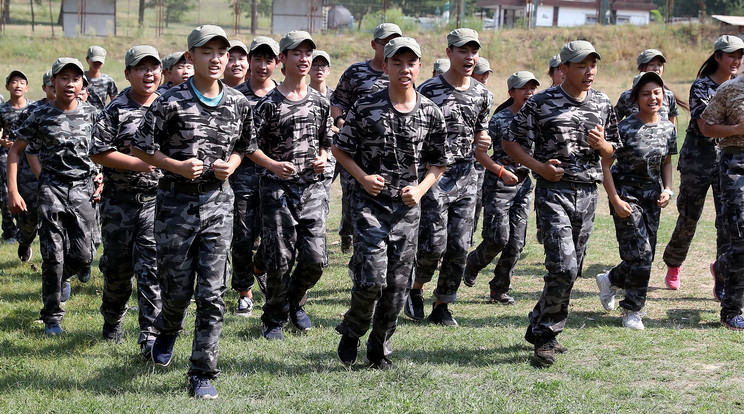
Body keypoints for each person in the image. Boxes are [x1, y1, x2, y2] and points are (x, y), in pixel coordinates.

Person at [132, 25, 252, 399]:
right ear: (190, 57)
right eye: (207, 52)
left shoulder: (238, 103)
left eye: (222, 52)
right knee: (177, 289)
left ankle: (202, 371)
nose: (217, 59)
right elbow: (141, 148)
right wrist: (176, 166)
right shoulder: (169, 101)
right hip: (175, 206)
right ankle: (168, 329)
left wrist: (231, 165)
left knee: (212, 293)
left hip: (219, 205)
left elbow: (244, 146)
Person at [503, 40, 620, 366]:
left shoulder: (602, 102)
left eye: (593, 65)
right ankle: (546, 336)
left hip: (588, 194)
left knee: (573, 269)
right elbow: (510, 141)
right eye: (582, 65)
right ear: (564, 68)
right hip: (554, 194)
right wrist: (539, 167)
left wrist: (605, 147)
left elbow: (613, 152)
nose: (589, 71)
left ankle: (539, 321)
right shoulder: (542, 102)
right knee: (563, 266)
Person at [333, 37, 448, 369]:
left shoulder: (430, 111)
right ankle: (353, 329)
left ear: (419, 67)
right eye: (397, 62)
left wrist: (422, 189)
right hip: (369, 206)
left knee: (397, 289)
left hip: (407, 212)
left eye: (411, 63)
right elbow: (341, 149)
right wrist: (363, 178)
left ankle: (378, 346)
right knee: (371, 280)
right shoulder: (367, 105)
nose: (404, 68)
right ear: (385, 65)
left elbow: (438, 163)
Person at [247, 30, 332, 340]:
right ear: (282, 59)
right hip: (276, 189)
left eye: (308, 52)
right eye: (296, 53)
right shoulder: (268, 104)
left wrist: (323, 157)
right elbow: (248, 146)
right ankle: (274, 318)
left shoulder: (320, 102)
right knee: (280, 259)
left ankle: (294, 300)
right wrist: (272, 165)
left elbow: (327, 141)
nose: (304, 58)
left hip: (312, 188)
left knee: (315, 260)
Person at [405, 28, 492, 326]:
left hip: (468, 178)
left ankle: (443, 304)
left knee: (458, 246)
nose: (469, 57)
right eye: (462, 51)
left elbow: (482, 129)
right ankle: (415, 289)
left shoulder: (483, 94)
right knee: (433, 245)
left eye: (473, 51)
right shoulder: (427, 91)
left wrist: (484, 139)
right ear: (449, 53)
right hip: (433, 178)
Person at [9, 58, 99, 336]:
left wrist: (102, 175)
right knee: (53, 255)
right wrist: (13, 190)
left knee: (85, 255)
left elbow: (104, 150)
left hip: (84, 190)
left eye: (75, 78)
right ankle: (52, 317)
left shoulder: (93, 114)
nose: (69, 83)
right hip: (52, 189)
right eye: (63, 78)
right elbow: (16, 151)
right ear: (53, 83)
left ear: (82, 83)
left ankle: (59, 280)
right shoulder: (40, 115)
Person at [90, 45, 164, 357]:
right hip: (120, 203)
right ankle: (113, 318)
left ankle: (149, 335)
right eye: (141, 68)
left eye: (153, 68)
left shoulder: (169, 105)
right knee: (118, 271)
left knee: (151, 270)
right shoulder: (116, 109)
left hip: (157, 203)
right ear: (128, 74)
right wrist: (141, 163)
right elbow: (97, 151)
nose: (149, 74)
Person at [662, 35, 744, 294]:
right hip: (698, 160)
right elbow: (705, 129)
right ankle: (674, 264)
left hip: (729, 163)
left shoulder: (738, 86)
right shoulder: (701, 86)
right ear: (718, 56)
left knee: (727, 222)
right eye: (731, 55)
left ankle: (721, 272)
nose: (736, 61)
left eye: (740, 56)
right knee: (689, 218)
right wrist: (738, 129)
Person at [596, 72, 676, 330]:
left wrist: (668, 189)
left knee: (644, 256)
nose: (652, 98)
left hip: (653, 195)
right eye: (645, 94)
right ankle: (633, 310)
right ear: (636, 98)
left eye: (656, 93)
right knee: (642, 254)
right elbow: (605, 166)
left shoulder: (668, 128)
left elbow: (666, 162)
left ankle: (609, 278)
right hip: (626, 193)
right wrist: (615, 199)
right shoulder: (624, 128)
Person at [464, 71, 539, 305]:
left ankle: (500, 289)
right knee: (498, 237)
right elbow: (480, 154)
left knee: (516, 242)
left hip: (524, 184)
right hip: (498, 183)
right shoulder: (499, 120)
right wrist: (501, 171)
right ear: (511, 93)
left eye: (532, 88)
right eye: (523, 88)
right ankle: (473, 262)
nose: (529, 93)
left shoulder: (538, 119)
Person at [331, 23, 403, 254]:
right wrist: (341, 122)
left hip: (389, 153)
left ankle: (375, 242)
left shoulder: (403, 74)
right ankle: (348, 232)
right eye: (386, 43)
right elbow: (338, 101)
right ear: (374, 45)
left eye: (396, 42)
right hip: (355, 149)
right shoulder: (356, 72)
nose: (392, 47)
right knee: (352, 195)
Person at [230, 36, 281, 317]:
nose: (262, 65)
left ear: (277, 62)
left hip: (277, 180)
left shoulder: (282, 94)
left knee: (276, 237)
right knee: (243, 238)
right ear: (250, 61)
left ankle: (260, 267)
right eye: (257, 59)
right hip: (244, 178)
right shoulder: (236, 96)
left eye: (268, 60)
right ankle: (244, 291)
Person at [699, 52, 744, 330]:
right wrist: (737, 128)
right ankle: (731, 310)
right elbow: (705, 127)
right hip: (735, 164)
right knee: (740, 239)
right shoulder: (730, 89)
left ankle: (723, 267)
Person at [12, 70, 55, 264]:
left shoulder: (75, 108)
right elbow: (19, 144)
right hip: (29, 172)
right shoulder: (32, 111)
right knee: (30, 218)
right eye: (51, 86)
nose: (55, 89)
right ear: (45, 87)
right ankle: (25, 240)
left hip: (57, 172)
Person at [614, 49, 684, 124]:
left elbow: (672, 126)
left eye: (659, 65)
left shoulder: (668, 95)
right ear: (641, 68)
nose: (656, 68)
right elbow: (614, 122)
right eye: (651, 64)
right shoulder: (627, 96)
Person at [0, 70, 28, 243]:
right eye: (14, 82)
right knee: (5, 193)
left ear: (27, 87)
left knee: (28, 192)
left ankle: (26, 228)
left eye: (21, 82)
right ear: (7, 87)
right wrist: (2, 143)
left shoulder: (34, 108)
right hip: (5, 156)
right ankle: (9, 231)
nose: (17, 85)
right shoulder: (2, 109)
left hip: (29, 155)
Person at [85, 46, 119, 111]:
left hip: (101, 118)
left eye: (99, 62)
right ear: (87, 60)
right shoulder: (80, 80)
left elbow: (115, 102)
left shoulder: (108, 81)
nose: (97, 64)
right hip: (83, 118)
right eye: (94, 61)